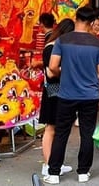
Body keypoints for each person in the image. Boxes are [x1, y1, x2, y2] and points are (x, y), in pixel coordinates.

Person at [44, 6, 99, 185]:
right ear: (91, 22)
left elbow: (52, 66)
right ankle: (83, 172)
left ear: (76, 18)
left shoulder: (63, 40)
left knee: (61, 133)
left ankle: (54, 173)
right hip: (89, 95)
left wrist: (62, 74)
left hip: (66, 95)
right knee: (86, 133)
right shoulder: (97, 44)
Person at [39, 19, 75, 179]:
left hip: (61, 91)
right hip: (53, 92)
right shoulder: (51, 47)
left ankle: (56, 163)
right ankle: (48, 164)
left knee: (60, 128)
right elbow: (51, 73)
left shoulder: (57, 46)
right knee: (51, 128)